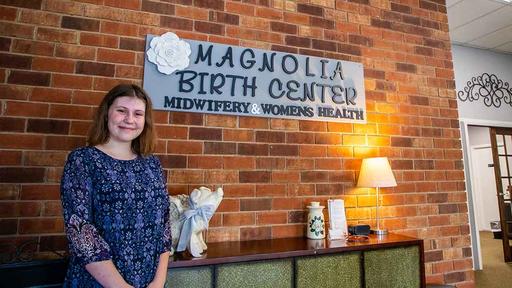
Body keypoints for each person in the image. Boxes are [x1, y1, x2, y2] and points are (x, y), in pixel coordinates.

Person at [60, 84, 171, 288]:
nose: (130, 119)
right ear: (106, 113)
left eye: (138, 114)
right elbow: (81, 232)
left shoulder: (152, 163)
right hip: (98, 282)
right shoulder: (83, 160)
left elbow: (164, 226)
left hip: (149, 281)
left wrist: (159, 282)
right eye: (122, 111)